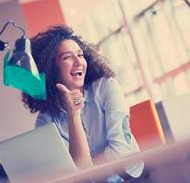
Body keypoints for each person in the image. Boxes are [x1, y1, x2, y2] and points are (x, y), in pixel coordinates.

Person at [22, 25, 144, 182]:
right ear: (50, 69)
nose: (78, 62)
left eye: (80, 55)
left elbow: (120, 152)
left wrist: (87, 168)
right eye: (67, 57)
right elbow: (75, 176)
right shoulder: (45, 121)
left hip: (129, 178)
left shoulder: (106, 86)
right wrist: (73, 114)